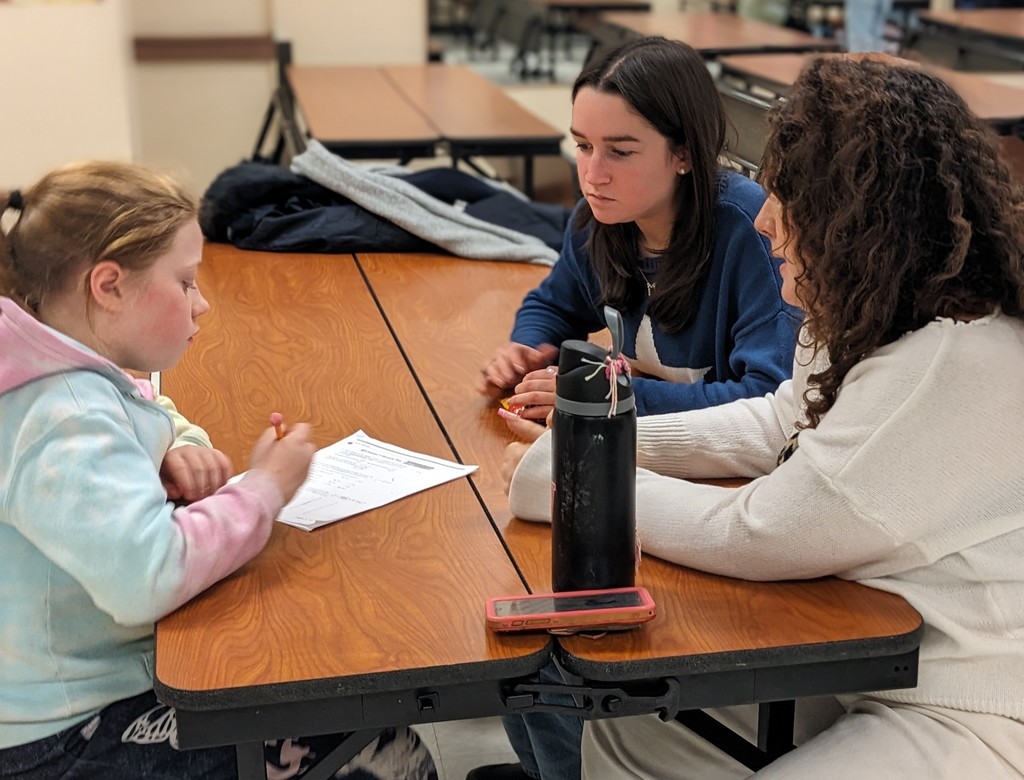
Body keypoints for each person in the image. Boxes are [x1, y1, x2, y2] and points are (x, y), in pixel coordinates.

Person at [501, 54, 1024, 778]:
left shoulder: (951, 355)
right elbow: (775, 423)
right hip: (862, 656)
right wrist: (599, 442)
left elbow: (764, 530)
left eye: (790, 201)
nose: (767, 223)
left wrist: (578, 481)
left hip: (968, 705)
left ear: (858, 221)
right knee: (622, 721)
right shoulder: (866, 312)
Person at [0, 162, 437, 779]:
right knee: (377, 742)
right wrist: (265, 488)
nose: (202, 304)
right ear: (109, 286)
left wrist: (170, 449)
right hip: (64, 739)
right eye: (185, 283)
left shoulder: (55, 363)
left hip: (65, 700)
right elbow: (148, 576)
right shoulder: (64, 416)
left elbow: (144, 405)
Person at [477, 36, 800, 423]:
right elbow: (552, 305)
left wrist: (615, 397)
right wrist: (527, 348)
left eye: (620, 152)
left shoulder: (751, 232)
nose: (593, 176)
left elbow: (768, 396)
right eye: (582, 146)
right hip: (651, 452)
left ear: (683, 152)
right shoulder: (597, 219)